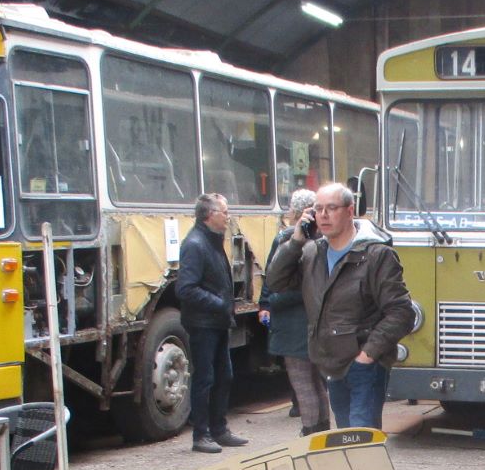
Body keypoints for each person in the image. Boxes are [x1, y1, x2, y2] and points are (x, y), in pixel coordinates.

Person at [264, 181, 414, 430]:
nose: (323, 215)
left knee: (360, 439)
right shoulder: (312, 252)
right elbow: (276, 282)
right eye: (318, 209)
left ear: (349, 211)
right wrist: (295, 242)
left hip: (364, 365)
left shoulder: (376, 255)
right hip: (331, 362)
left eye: (331, 208)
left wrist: (367, 356)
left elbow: (402, 312)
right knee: (346, 436)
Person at [174, 192, 248, 454]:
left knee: (223, 376)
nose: (228, 217)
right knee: (204, 378)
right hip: (203, 323)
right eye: (224, 212)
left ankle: (219, 429)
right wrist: (219, 303)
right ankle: (201, 434)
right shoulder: (195, 244)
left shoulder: (213, 241)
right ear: (209, 215)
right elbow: (186, 289)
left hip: (217, 322)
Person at [259, 188, 330, 435]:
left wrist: (271, 302)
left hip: (293, 323)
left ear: (296, 213)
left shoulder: (289, 239)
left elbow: (273, 278)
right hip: (314, 322)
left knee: (302, 383)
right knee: (317, 383)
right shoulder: (324, 240)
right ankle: (322, 430)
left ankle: (310, 432)